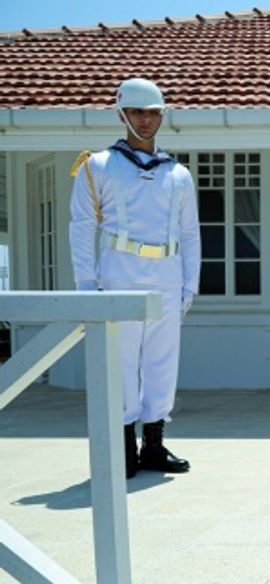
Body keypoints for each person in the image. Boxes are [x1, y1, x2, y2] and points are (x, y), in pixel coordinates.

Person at [70, 78, 200, 479]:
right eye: (139, 112)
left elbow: (191, 232)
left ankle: (154, 444)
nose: (147, 119)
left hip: (166, 273)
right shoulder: (98, 166)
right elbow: (81, 226)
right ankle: (124, 445)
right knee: (122, 363)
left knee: (162, 361)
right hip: (119, 271)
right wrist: (87, 287)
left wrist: (189, 284)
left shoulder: (177, 173)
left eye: (154, 112)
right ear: (122, 113)